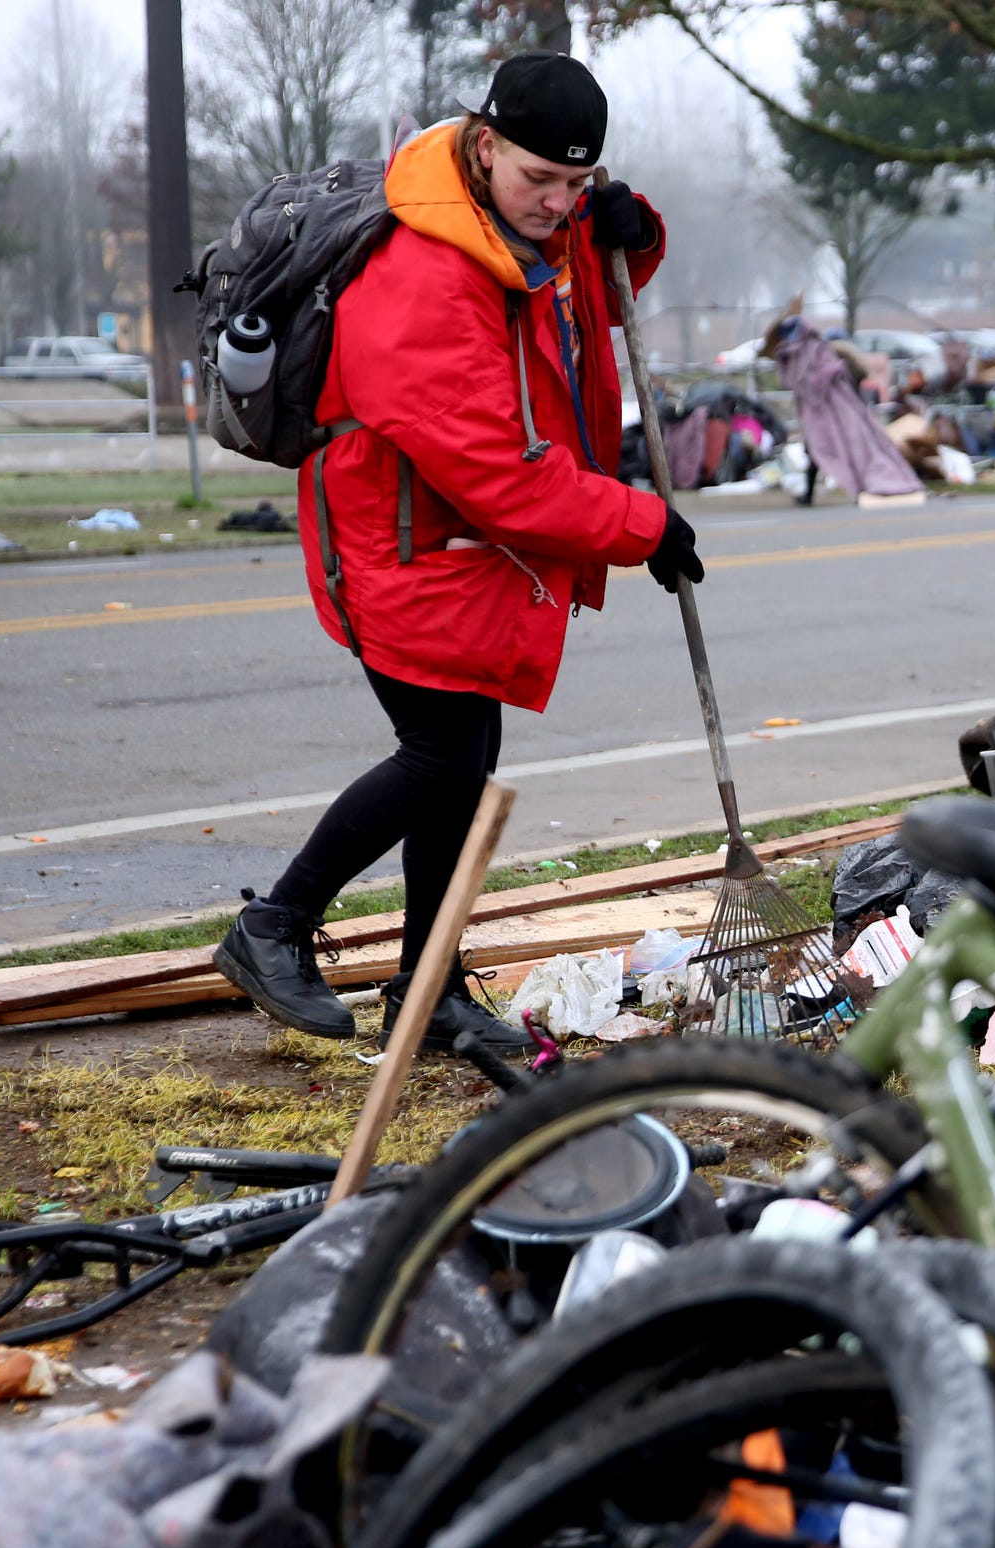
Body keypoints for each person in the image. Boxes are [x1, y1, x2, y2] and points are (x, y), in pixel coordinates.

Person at [211, 52, 704, 1052]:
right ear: (485, 147)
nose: (558, 204)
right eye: (540, 179)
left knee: (464, 763)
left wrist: (627, 232)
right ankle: (274, 926)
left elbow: (580, 305)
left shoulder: (516, 225)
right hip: (395, 542)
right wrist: (641, 523)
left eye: (577, 184)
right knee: (440, 755)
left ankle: (427, 989)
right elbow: (499, 473)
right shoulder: (423, 276)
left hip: (456, 545)